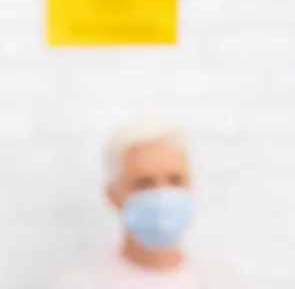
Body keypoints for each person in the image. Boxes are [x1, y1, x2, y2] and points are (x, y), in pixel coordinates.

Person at [52, 121, 239, 289]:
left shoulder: (226, 283)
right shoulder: (77, 284)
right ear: (112, 196)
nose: (162, 196)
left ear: (191, 187)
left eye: (175, 180)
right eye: (143, 184)